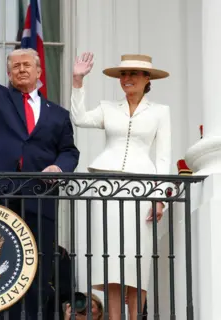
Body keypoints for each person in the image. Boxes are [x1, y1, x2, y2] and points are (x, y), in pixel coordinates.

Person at [0, 12, 80, 319]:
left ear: (39, 70)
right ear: (9, 73)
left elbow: (69, 151)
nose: (20, 69)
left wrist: (59, 168)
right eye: (15, 66)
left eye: (26, 64)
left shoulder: (58, 113)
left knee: (35, 269)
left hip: (39, 198)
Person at [70, 52, 171, 319]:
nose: (127, 79)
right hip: (108, 189)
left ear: (147, 78)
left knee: (139, 262)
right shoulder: (107, 107)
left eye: (134, 74)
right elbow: (79, 118)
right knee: (112, 263)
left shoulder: (161, 112)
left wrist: (159, 198)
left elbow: (163, 157)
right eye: (123, 74)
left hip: (142, 190)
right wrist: (77, 81)